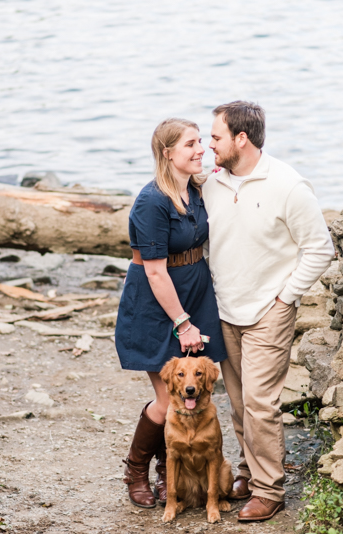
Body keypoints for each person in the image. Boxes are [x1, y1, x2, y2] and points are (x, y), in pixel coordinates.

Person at [203, 101, 335, 522]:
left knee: (261, 402)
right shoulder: (212, 184)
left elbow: (320, 249)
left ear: (241, 139)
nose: (210, 146)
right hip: (225, 309)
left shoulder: (289, 186)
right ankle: (247, 470)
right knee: (241, 403)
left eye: (216, 137)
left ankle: (269, 490)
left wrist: (287, 297)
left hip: (269, 310)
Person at [115, 118, 227, 509]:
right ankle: (136, 471)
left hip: (194, 293)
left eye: (201, 142)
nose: (201, 150)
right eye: (191, 144)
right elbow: (155, 270)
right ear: (167, 153)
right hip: (157, 303)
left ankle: (170, 474)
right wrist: (183, 322)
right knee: (168, 400)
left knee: (189, 392)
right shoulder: (152, 201)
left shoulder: (195, 188)